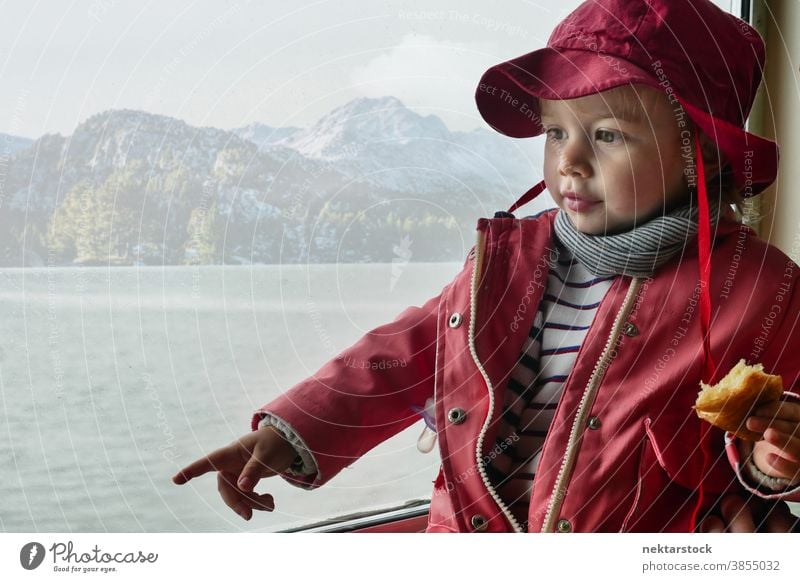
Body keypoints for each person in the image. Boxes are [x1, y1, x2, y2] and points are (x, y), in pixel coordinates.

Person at [173, 0, 800, 532]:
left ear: (706, 157)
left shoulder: (763, 293)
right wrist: (290, 432)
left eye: (608, 136)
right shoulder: (508, 261)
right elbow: (409, 351)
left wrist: (773, 465)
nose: (569, 162)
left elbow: (773, 441)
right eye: (556, 133)